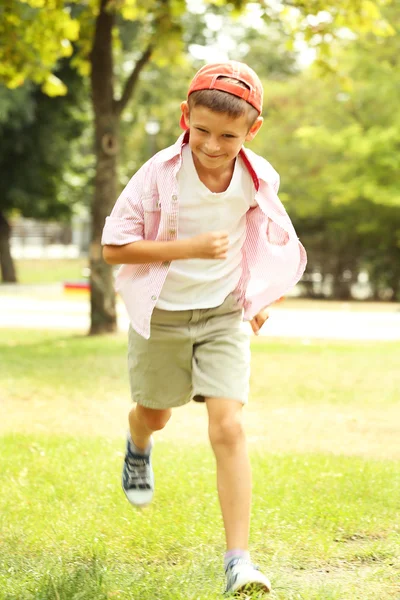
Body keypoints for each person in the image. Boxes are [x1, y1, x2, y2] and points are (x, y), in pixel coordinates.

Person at [102, 60, 307, 596]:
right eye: (202, 132)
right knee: (157, 414)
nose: (213, 146)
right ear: (184, 117)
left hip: (221, 315)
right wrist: (185, 248)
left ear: (252, 130)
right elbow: (112, 248)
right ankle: (138, 445)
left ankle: (238, 561)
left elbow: (257, 237)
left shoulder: (259, 177)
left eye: (229, 136)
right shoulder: (157, 174)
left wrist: (255, 296)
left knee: (228, 426)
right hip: (162, 315)